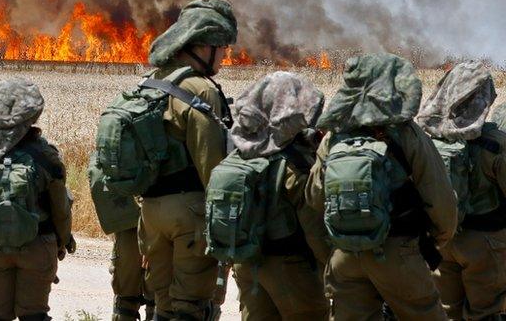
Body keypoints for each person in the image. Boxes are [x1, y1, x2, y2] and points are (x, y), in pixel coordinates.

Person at [306, 53, 457, 321]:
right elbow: (439, 197)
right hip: (397, 252)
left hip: (345, 256)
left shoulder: (334, 135)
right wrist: (434, 241)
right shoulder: (407, 133)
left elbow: (315, 197)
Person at [139, 0, 237, 320]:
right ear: (200, 47)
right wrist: (227, 230)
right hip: (190, 215)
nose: (225, 55)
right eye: (221, 48)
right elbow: (214, 169)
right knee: (191, 307)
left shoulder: (150, 83)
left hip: (151, 213)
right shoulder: (200, 90)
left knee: (161, 304)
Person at [215, 71, 330, 320]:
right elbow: (315, 229)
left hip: (247, 266)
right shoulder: (294, 163)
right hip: (291, 269)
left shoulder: (241, 153)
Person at [0, 77, 75, 321]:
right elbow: (60, 208)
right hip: (37, 244)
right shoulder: (45, 155)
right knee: (34, 316)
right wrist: (63, 241)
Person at [416, 60, 506, 320]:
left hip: (442, 241)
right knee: (486, 312)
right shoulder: (495, 144)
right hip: (486, 245)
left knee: (447, 311)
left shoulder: (425, 140)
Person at [88, 154, 154, 321]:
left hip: (129, 216)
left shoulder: (123, 134)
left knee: (125, 299)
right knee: (160, 299)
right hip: (161, 212)